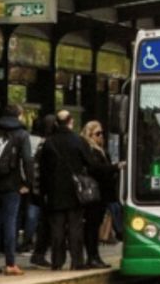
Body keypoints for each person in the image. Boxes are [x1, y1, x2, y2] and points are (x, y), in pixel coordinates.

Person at [0, 105, 34, 276]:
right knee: (10, 223)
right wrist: (28, 183)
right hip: (12, 185)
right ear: (19, 115)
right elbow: (27, 160)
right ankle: (10, 264)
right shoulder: (22, 134)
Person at [40, 110, 94, 270]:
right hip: (75, 191)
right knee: (75, 227)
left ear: (57, 122)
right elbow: (91, 164)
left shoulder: (49, 142)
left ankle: (57, 261)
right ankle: (77, 261)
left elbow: (43, 170)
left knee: (57, 229)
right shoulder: (78, 141)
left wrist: (43, 193)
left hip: (54, 191)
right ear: (71, 122)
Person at [79, 121, 123, 269]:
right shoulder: (90, 150)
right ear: (89, 134)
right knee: (92, 226)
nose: (101, 136)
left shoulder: (100, 150)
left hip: (102, 194)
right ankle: (92, 257)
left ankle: (94, 256)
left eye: (102, 133)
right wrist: (115, 167)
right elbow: (96, 169)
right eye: (97, 133)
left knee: (95, 225)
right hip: (94, 195)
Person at [29, 115, 57, 269]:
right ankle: (39, 253)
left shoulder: (42, 144)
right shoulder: (49, 144)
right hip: (47, 191)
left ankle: (39, 253)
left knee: (43, 223)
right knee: (46, 224)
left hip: (39, 190)